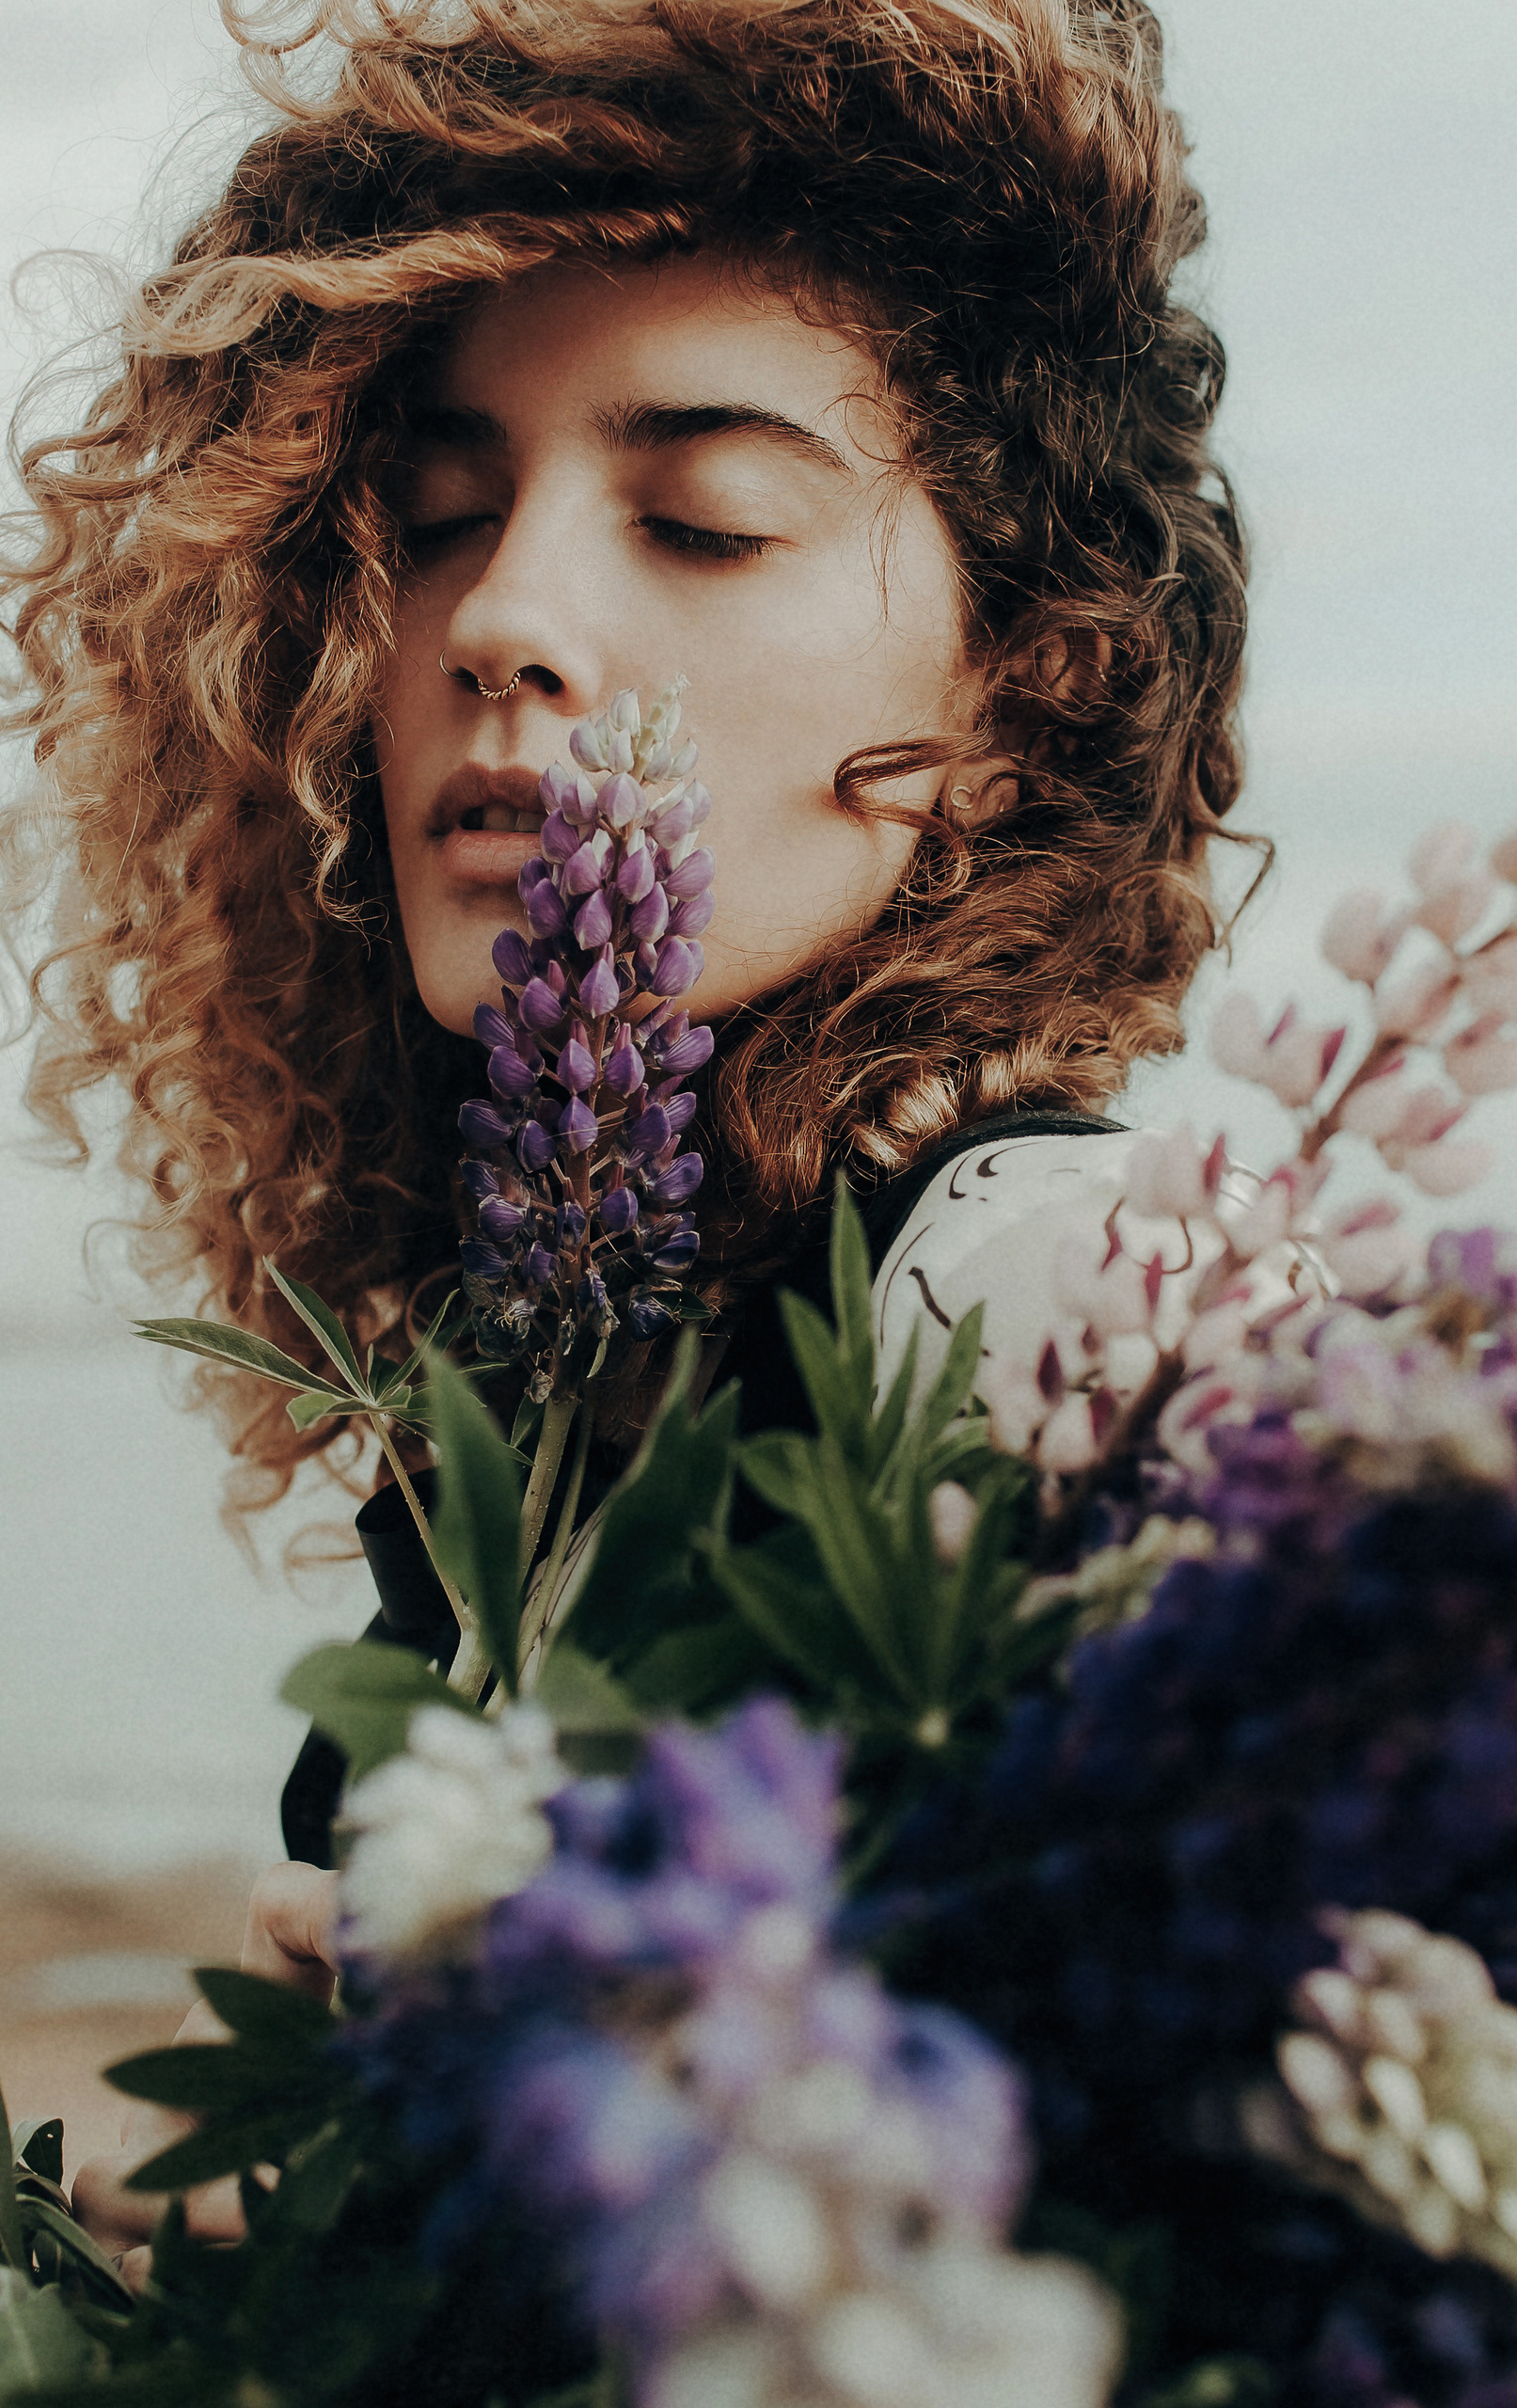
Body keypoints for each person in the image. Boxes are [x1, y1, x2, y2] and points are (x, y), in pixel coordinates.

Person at [0, 0, 1248, 2267]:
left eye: (703, 518)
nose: (504, 618)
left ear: (1017, 685)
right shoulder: (543, 1353)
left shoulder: (1068, 1306)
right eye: (441, 516)